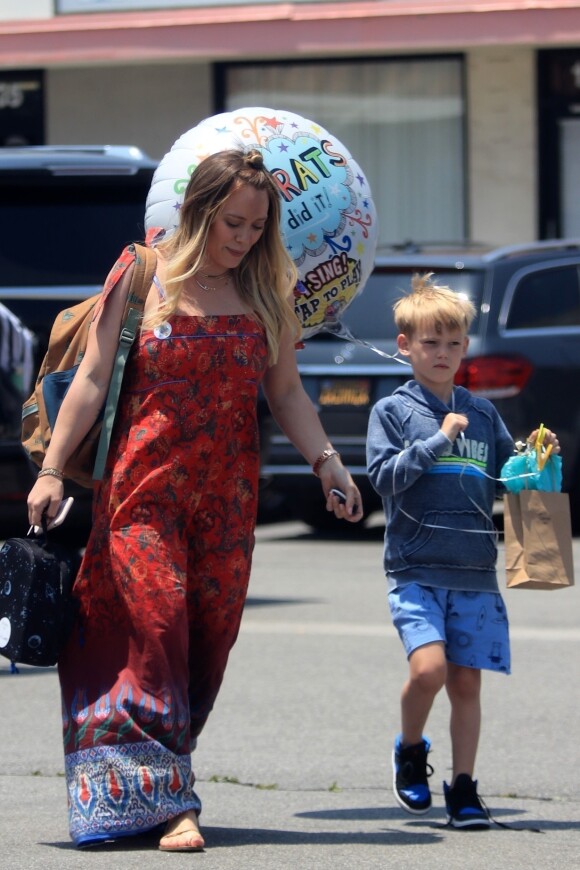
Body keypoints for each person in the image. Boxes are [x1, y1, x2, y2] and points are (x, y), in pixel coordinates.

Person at [27, 148, 363, 851]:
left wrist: (327, 463)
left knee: (206, 642)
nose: (243, 238)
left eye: (255, 226)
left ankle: (142, 781)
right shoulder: (142, 274)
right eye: (232, 223)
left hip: (227, 502)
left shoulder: (270, 288)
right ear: (198, 211)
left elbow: (288, 393)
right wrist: (53, 469)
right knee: (156, 624)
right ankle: (174, 805)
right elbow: (90, 379)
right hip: (142, 492)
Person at [366, 273, 559, 829]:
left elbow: (506, 475)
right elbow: (384, 479)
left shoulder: (481, 410)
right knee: (428, 672)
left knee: (466, 682)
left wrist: (534, 462)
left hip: (475, 571)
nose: (443, 353)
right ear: (405, 345)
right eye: (431, 343)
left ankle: (466, 787)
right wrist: (436, 440)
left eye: (454, 343)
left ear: (465, 347)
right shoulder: (393, 412)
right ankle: (409, 749)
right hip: (416, 569)